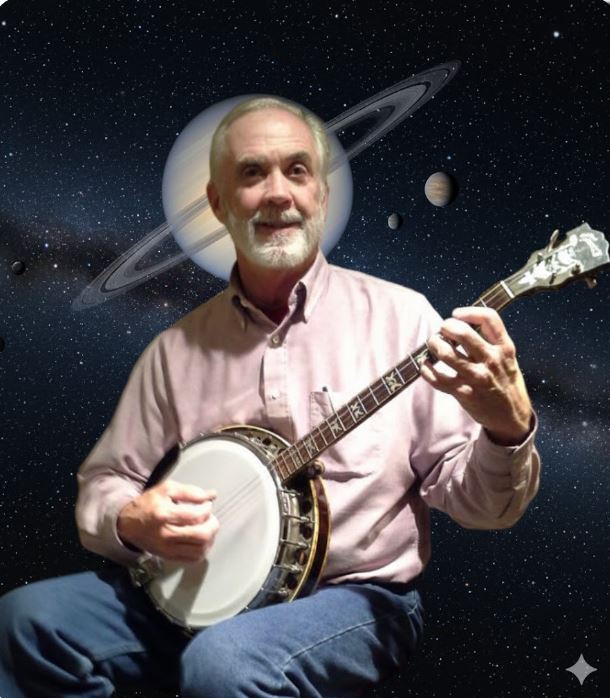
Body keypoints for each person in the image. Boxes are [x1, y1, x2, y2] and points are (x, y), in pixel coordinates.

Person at [0, 97, 540, 698]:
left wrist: (507, 429)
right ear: (218, 203)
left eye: (297, 170)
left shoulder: (405, 320)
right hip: (203, 593)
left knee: (225, 664)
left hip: (356, 596)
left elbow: (484, 507)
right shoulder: (175, 350)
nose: (278, 193)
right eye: (252, 173)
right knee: (26, 623)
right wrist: (131, 519)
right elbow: (107, 480)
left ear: (322, 195)